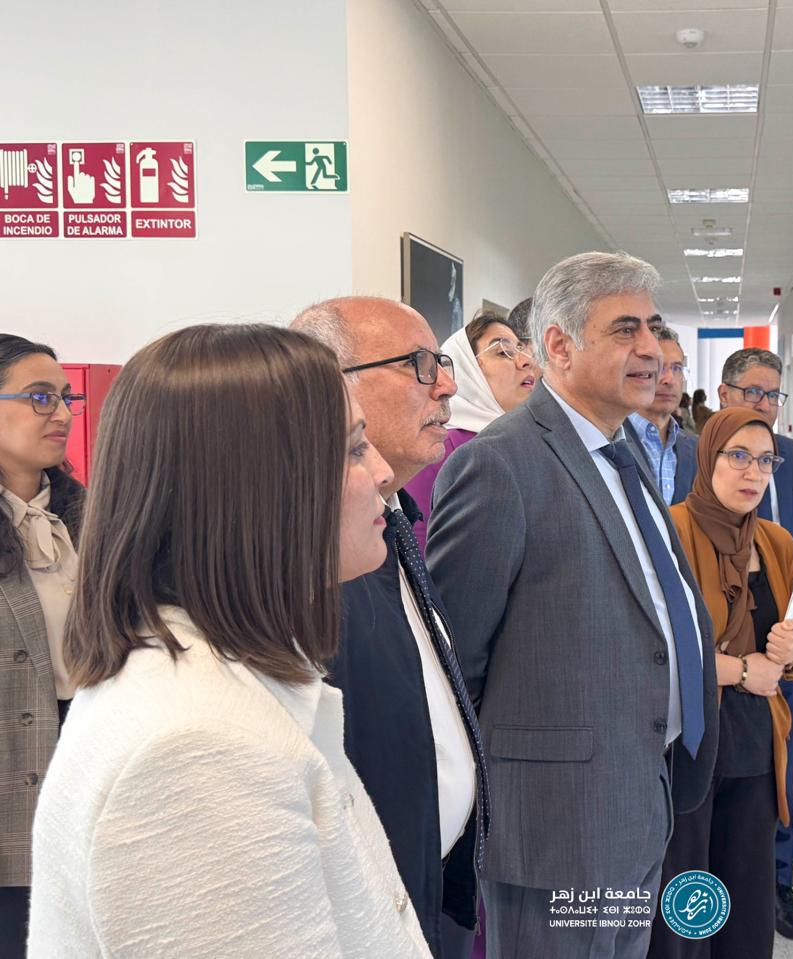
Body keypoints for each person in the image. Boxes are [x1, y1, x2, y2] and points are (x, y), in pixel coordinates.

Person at [27, 324, 431, 957]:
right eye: (354, 450)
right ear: (260, 487)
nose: (383, 473)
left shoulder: (212, 687)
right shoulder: (200, 747)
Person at [427, 251, 719, 959]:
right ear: (558, 344)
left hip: (638, 792)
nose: (651, 349)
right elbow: (453, 661)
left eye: (652, 327)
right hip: (556, 827)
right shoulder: (500, 463)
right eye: (625, 329)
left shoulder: (623, 450)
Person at [292, 297, 489, 959]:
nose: (449, 384)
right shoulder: (308, 565)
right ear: (328, 382)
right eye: (420, 365)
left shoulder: (395, 516)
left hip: (430, 897)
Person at [647, 408, 793, 959]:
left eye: (765, 461)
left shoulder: (776, 542)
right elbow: (652, 647)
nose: (753, 473)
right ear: (707, 456)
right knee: (687, 892)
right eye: (737, 456)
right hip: (687, 739)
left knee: (746, 891)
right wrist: (740, 670)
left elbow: (787, 650)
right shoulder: (666, 531)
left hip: (755, 741)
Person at [715, 347, 793, 940]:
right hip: (723, 655)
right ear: (724, 394)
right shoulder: (703, 456)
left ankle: (778, 882)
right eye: (752, 393)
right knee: (724, 771)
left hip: (791, 650)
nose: (763, 405)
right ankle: (718, 884)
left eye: (772, 395)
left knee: (784, 767)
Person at [0, 336, 86, 953]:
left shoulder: (90, 515)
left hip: (84, 750)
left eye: (65, 398)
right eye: (38, 398)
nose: (60, 414)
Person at [402, 311, 537, 552]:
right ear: (469, 370)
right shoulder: (441, 447)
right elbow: (421, 547)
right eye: (503, 352)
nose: (525, 361)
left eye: (521, 349)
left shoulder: (533, 441)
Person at [625, 327, 698, 506]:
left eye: (677, 368)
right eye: (658, 366)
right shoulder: (610, 441)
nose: (669, 379)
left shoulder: (697, 448)